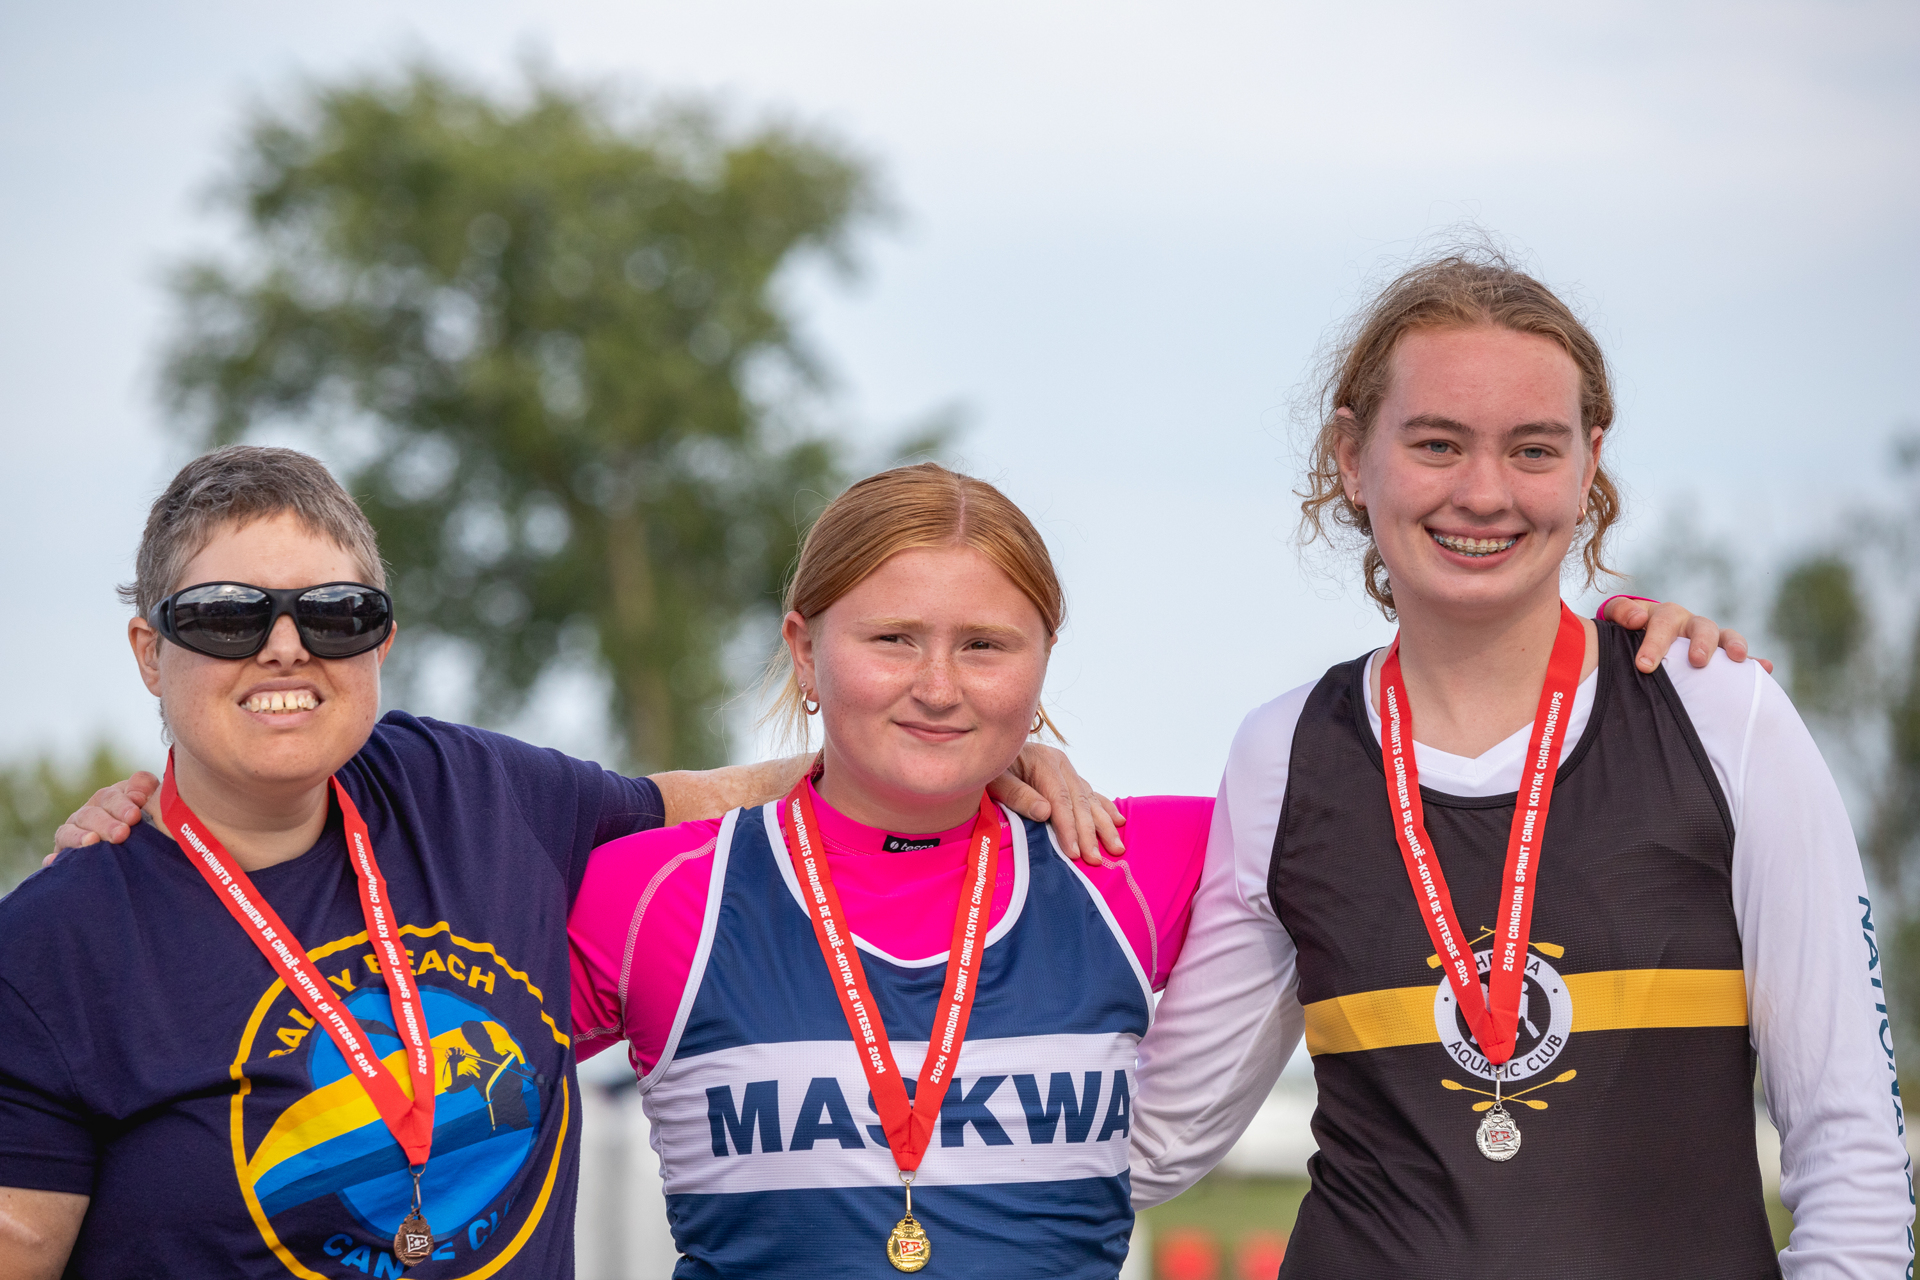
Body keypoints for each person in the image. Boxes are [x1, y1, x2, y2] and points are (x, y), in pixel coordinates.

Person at [561, 462, 1746, 1279]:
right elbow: (467, 1095)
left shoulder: (1138, 858)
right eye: (892, 639)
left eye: (986, 645)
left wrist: (1614, 659)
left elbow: (1475, 814)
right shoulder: (654, 891)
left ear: (1044, 661)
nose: (939, 684)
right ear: (803, 647)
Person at [0, 445, 1099, 1280]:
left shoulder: (472, 795)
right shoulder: (58, 943)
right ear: (149, 651)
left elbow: (701, 799)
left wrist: (971, 757)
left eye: (335, 612)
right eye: (227, 617)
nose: (286, 647)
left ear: (382, 641)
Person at [1126, 252, 1915, 1275]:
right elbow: (1156, 1138)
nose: (1484, 492)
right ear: (1353, 457)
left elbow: (1850, 1147)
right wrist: (980, 802)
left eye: (1533, 448)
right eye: (1437, 444)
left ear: (1590, 464)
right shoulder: (1283, 753)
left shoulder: (1721, 711)